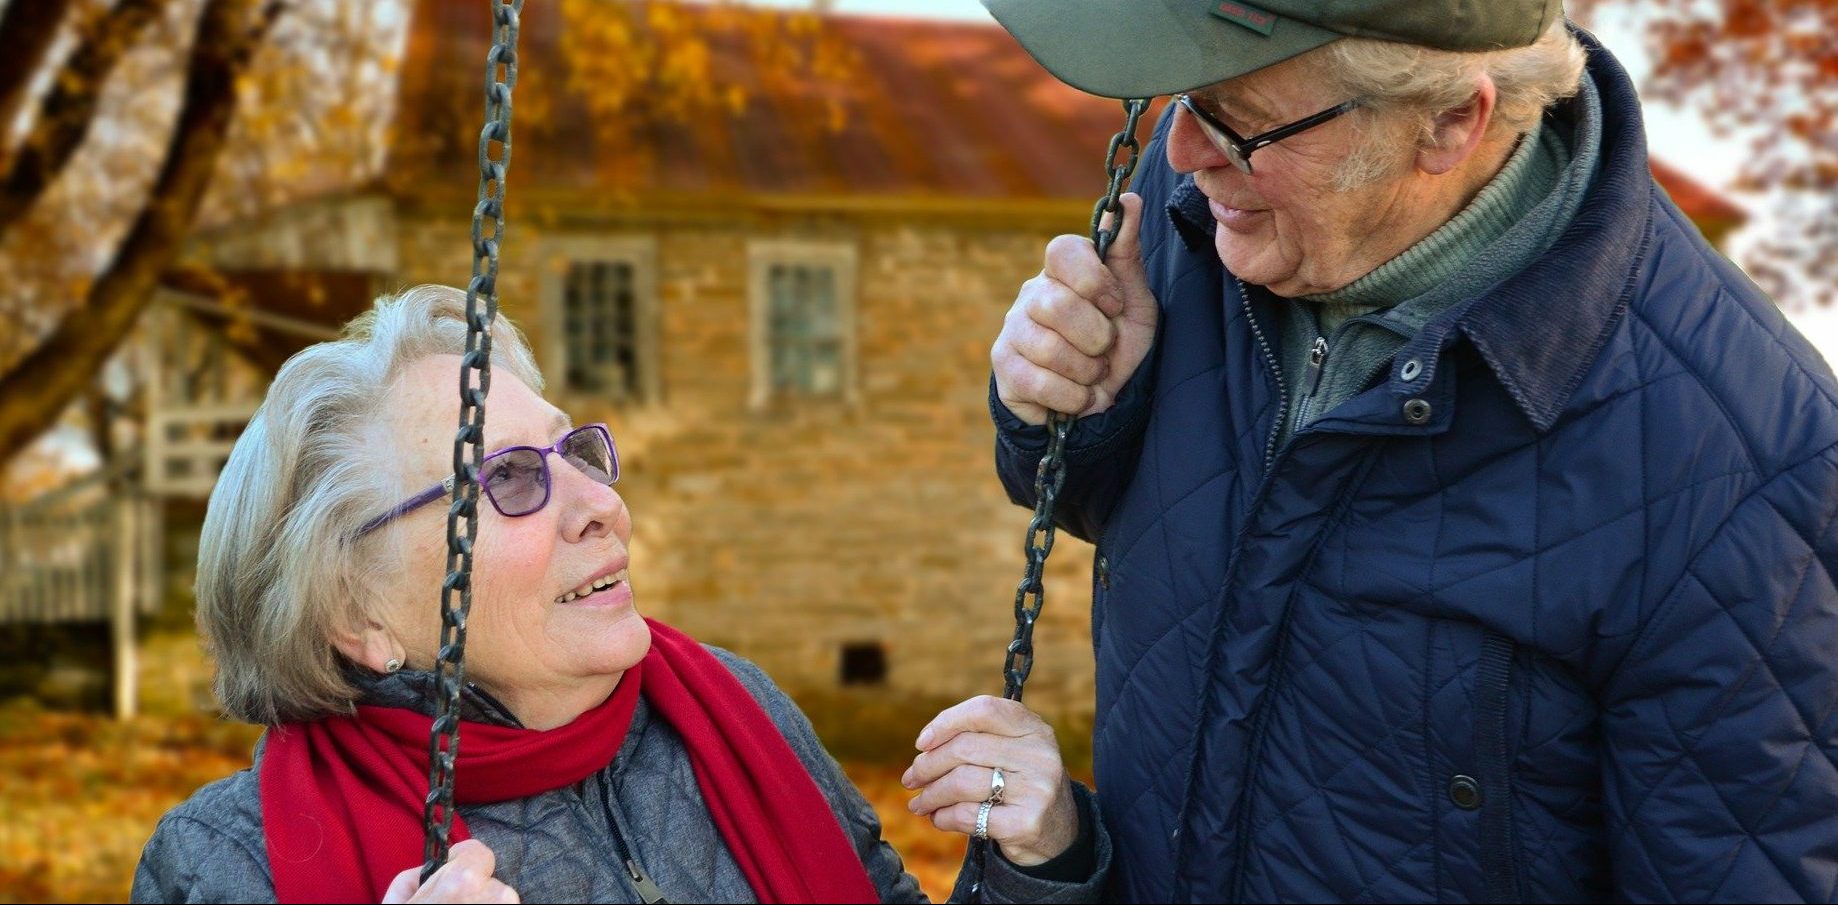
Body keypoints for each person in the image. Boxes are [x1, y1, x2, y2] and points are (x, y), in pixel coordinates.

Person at [983, 0, 1838, 901]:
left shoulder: (1750, 473)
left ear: (1449, 124)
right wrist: (1068, 409)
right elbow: (1124, 511)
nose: (1187, 154)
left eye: (1238, 121)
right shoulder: (1209, 200)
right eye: (1178, 99)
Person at [132, 285, 1110, 904]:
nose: (600, 502)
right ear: (357, 613)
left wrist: (1041, 859)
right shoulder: (226, 863)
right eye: (509, 478)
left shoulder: (729, 709)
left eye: (575, 451)